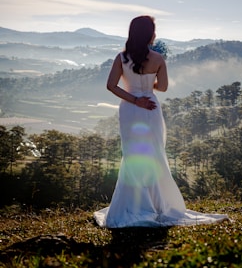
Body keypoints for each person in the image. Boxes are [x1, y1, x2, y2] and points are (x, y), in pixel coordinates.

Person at [93, 16, 229, 227]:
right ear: (149, 34)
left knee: (131, 155)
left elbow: (111, 86)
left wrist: (135, 98)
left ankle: (135, 204)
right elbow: (163, 87)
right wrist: (148, 84)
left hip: (130, 109)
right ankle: (157, 204)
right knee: (154, 154)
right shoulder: (158, 59)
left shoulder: (121, 58)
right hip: (151, 109)